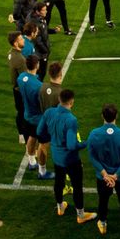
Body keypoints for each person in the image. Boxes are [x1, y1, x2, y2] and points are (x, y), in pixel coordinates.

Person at [37, 88, 97, 224]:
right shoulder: (71, 120)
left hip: (56, 157)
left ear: (59, 99)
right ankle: (81, 215)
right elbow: (71, 145)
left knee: (59, 181)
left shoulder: (48, 113)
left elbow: (39, 131)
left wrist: (53, 139)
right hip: (70, 159)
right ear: (72, 102)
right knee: (77, 185)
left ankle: (60, 207)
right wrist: (85, 143)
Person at [87, 103, 120, 236]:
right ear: (116, 116)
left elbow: (92, 157)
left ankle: (103, 224)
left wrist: (105, 174)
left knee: (103, 200)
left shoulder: (94, 134)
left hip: (102, 177)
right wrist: (115, 176)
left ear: (102, 116)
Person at [18, 55, 53, 180]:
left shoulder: (21, 78)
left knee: (32, 138)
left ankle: (32, 162)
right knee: (43, 144)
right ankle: (42, 171)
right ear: (37, 65)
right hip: (39, 120)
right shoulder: (39, 86)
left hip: (27, 116)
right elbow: (43, 105)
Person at [7, 31, 31, 145]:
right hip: (21, 91)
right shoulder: (21, 60)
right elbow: (25, 80)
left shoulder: (10, 53)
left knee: (20, 112)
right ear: (16, 43)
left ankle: (21, 134)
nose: (23, 40)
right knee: (25, 114)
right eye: (21, 39)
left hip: (15, 89)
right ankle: (27, 140)